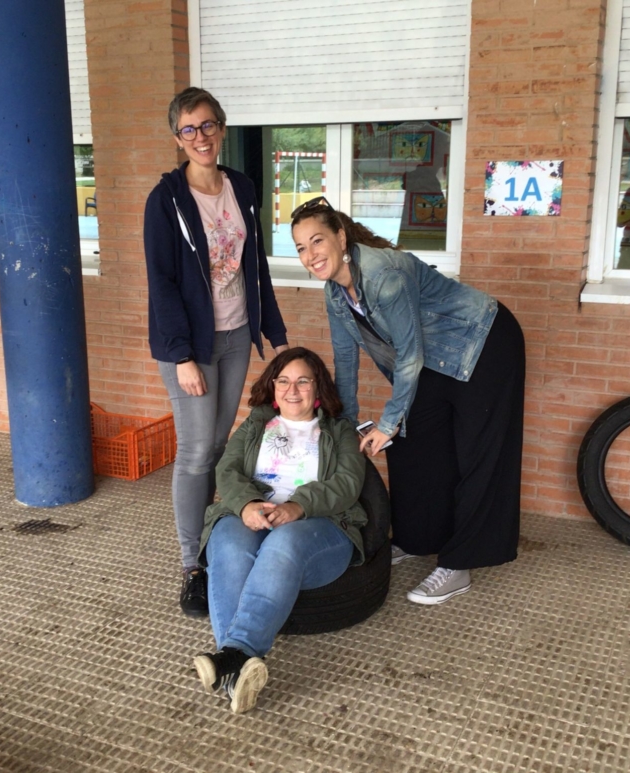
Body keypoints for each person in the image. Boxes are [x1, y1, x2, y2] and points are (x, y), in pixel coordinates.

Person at [290, 197, 525, 606]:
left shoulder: (384, 275)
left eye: (317, 241)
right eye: (300, 248)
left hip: (483, 342)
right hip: (435, 357)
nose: (311, 255)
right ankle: (418, 538)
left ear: (340, 237)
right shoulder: (335, 293)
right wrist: (345, 422)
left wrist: (388, 422)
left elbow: (409, 354)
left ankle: (460, 561)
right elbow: (345, 360)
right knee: (413, 444)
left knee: (477, 453)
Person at [144, 88, 289, 617]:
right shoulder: (165, 200)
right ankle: (192, 565)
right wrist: (182, 356)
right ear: (177, 138)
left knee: (220, 445)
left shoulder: (242, 187)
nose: (200, 137)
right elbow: (161, 281)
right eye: (189, 129)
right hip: (191, 345)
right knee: (195, 450)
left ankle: (213, 537)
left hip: (235, 334)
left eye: (208, 125)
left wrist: (275, 333)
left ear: (222, 128)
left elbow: (256, 267)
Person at [192, 347, 367, 713]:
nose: (292, 390)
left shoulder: (339, 430)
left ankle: (233, 654)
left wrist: (298, 506)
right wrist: (246, 504)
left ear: (318, 386)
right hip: (255, 513)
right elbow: (227, 469)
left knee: (283, 543)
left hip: (319, 526)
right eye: (283, 381)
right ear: (272, 387)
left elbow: (348, 483)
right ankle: (236, 671)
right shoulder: (257, 423)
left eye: (303, 381)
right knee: (227, 542)